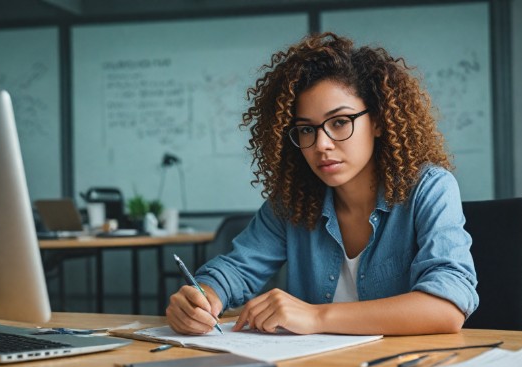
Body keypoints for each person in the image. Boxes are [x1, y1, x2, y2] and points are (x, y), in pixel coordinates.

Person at [166, 32, 478, 336]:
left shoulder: (429, 188)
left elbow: (447, 307)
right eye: (306, 130)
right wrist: (202, 298)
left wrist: (316, 316)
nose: (321, 144)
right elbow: (236, 270)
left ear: (379, 121)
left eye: (340, 122)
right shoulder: (293, 200)